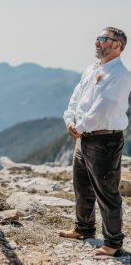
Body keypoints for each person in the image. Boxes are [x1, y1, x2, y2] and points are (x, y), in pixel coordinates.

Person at [60, 27, 131, 256]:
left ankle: (112, 243)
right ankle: (84, 228)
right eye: (97, 38)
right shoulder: (92, 69)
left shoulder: (120, 74)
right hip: (84, 137)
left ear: (117, 45)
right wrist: (70, 120)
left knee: (107, 192)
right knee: (82, 186)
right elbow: (76, 97)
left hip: (104, 139)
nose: (97, 42)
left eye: (103, 39)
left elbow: (104, 107)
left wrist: (79, 127)